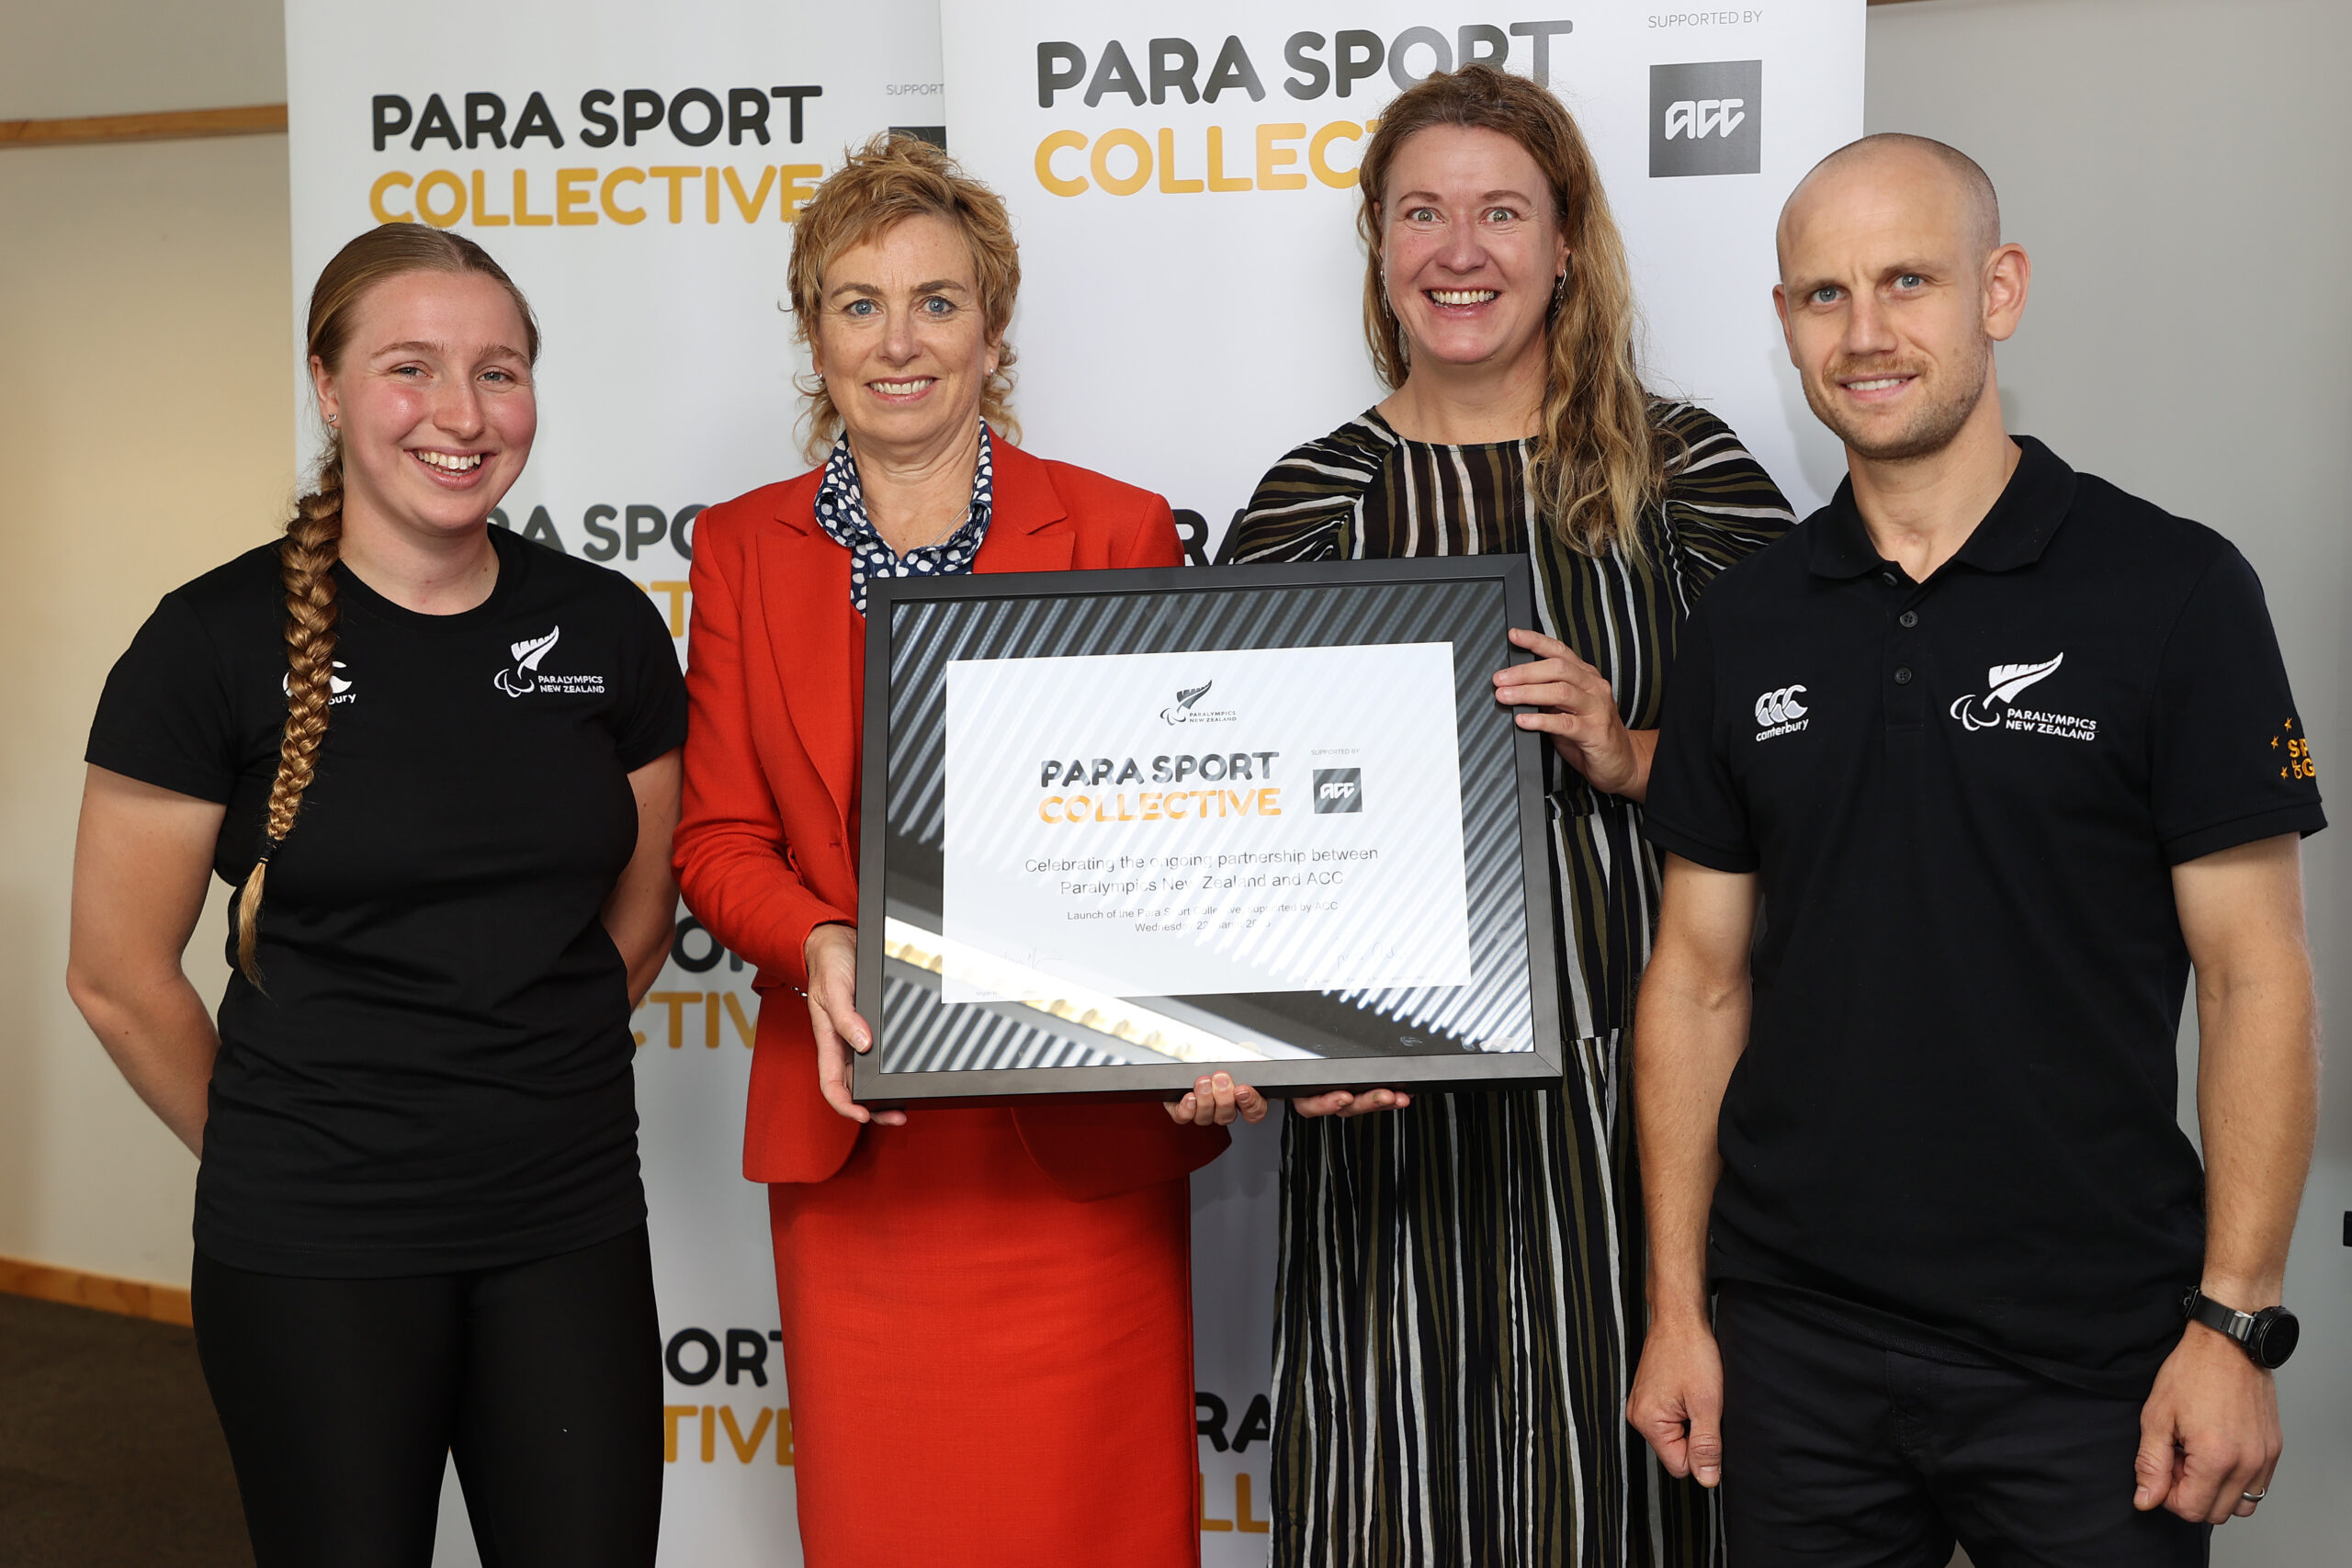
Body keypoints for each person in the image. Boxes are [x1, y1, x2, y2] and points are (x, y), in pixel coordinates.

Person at [1628, 133, 2323, 1566]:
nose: (1866, 332)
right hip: (1796, 1357)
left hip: (2094, 1366)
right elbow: (1696, 984)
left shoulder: (2172, 590)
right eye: (1823, 295)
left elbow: (2258, 976)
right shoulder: (1747, 623)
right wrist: (1681, 1313)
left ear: (1998, 291)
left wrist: (2235, 1322)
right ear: (1785, 325)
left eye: (1907, 282)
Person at [1221, 65, 1793, 1568]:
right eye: (1422, 213)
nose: (1458, 251)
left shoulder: (1688, 481)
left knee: (1639, 1503)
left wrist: (1630, 751)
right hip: (1387, 1141)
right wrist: (1284, 1047)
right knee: (1392, 1504)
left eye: (1499, 212)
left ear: (1565, 243)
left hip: (1643, 1108)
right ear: (1378, 245)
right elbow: (1229, 841)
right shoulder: (1305, 508)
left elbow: (1828, 773)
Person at [671, 133, 1251, 1568]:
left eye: (936, 301)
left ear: (993, 328)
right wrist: (815, 943)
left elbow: (1175, 826)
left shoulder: (1113, 528)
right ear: (814, 336)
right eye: (858, 303)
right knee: (888, 1525)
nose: (898, 341)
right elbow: (720, 836)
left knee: (1094, 1523)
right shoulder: (744, 546)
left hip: (1074, 1148)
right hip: (859, 1133)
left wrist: (1214, 1013)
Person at [67, 224, 685, 1567]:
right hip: (314, 1244)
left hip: (565, 1223)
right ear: (330, 386)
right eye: (412, 369)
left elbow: (637, 919)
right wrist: (289, 1139)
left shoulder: (608, 629)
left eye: (500, 371)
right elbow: (118, 978)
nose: (463, 416)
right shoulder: (207, 646)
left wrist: (508, 1071)